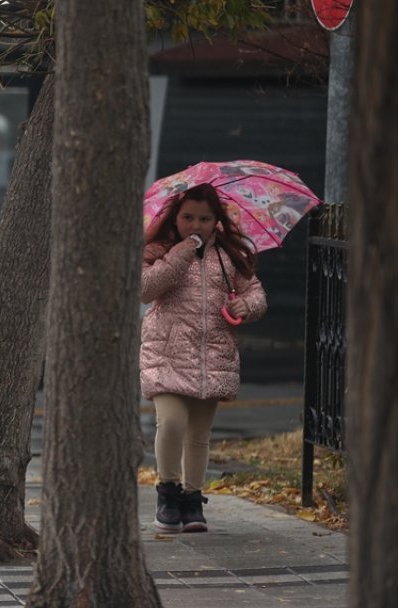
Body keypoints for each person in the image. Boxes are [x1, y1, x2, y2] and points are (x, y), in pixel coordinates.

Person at [141, 183, 266, 533]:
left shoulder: (228, 256)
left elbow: (254, 292)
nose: (196, 225)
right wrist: (181, 252)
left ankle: (192, 499)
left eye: (205, 219)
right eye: (188, 217)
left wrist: (248, 305)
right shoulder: (158, 249)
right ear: (174, 218)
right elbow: (145, 289)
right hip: (165, 354)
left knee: (199, 433)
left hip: (212, 357)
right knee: (171, 422)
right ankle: (167, 493)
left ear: (216, 221)